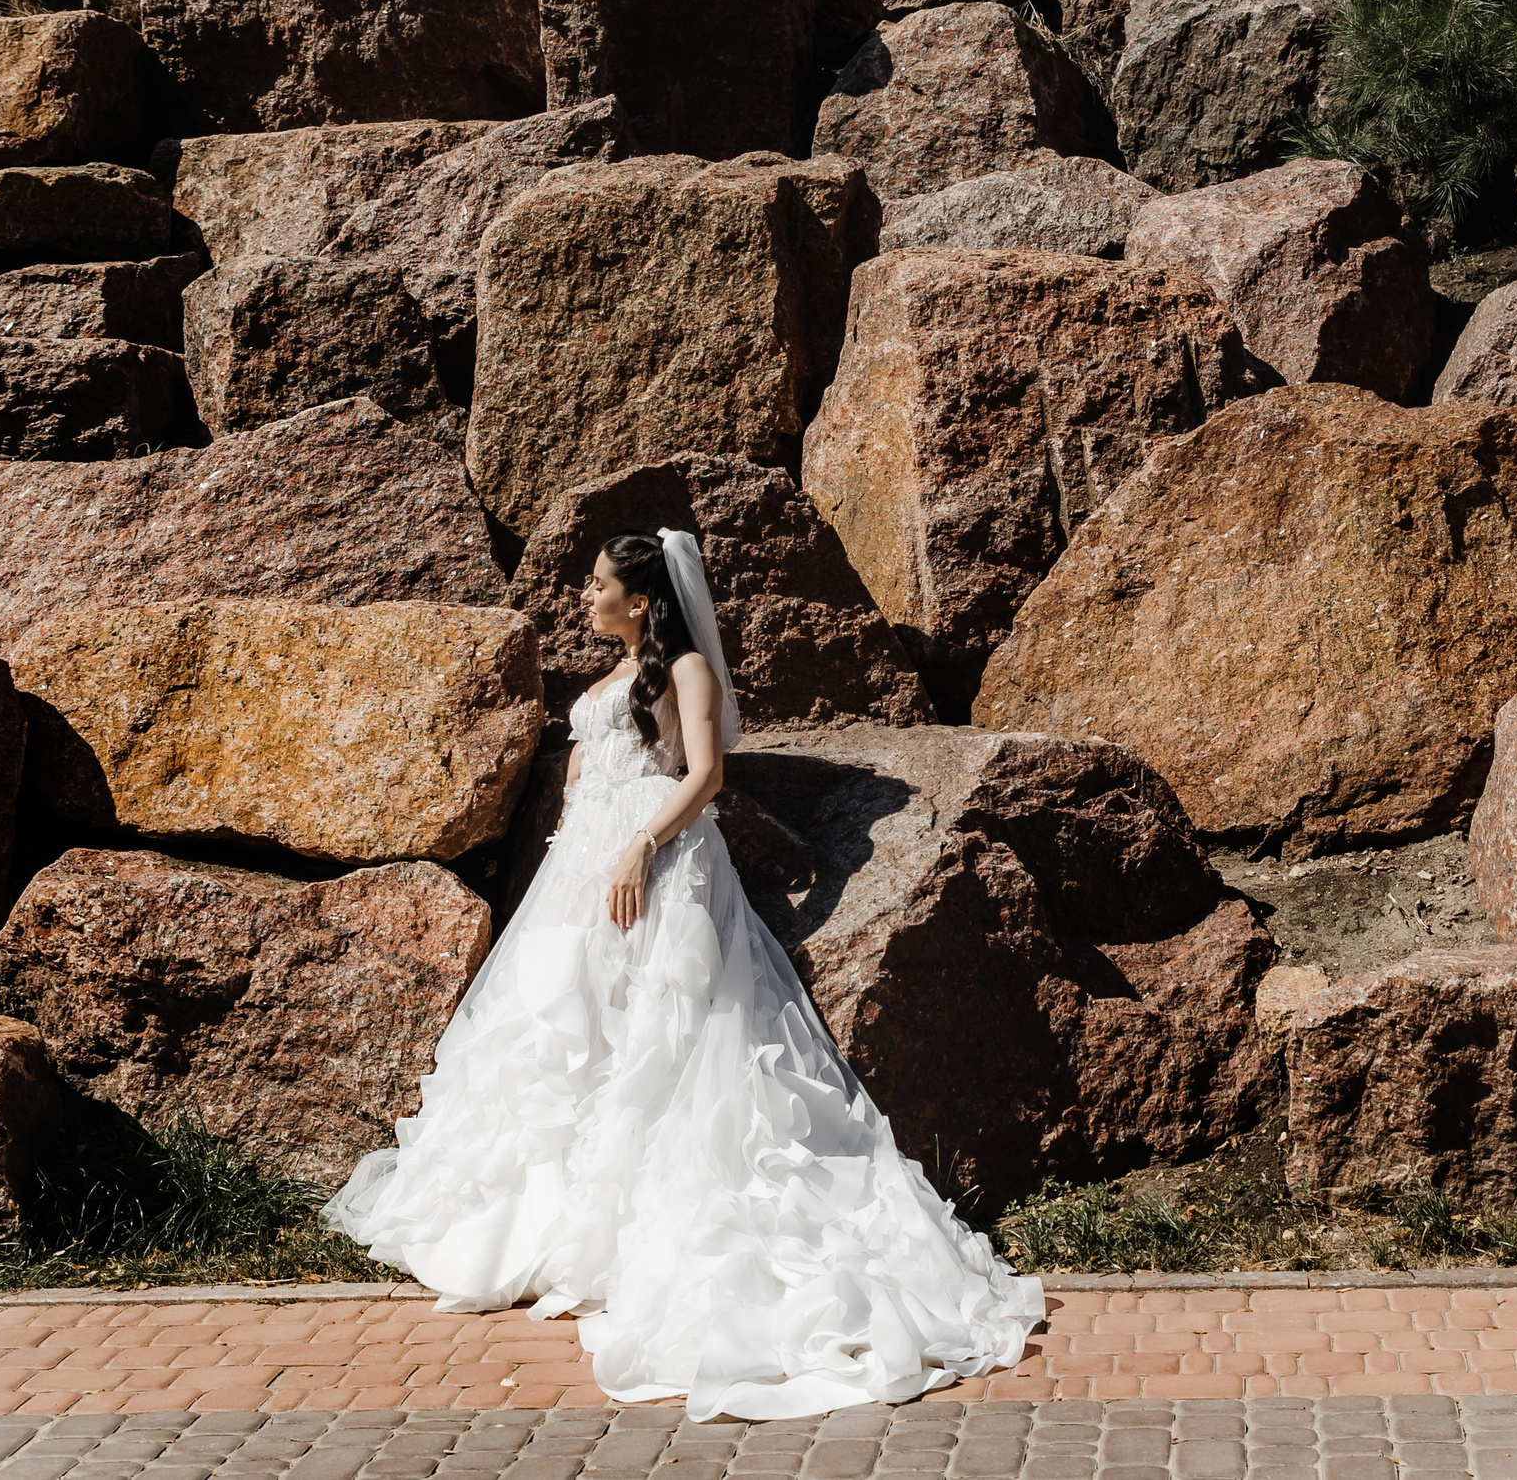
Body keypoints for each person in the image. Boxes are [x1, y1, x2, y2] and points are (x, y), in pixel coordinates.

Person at [325, 529, 1041, 1419]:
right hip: (583, 870)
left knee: (664, 1039)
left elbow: (705, 775)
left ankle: (643, 1237)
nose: (585, 597)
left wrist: (638, 845)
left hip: (657, 866)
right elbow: (593, 769)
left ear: (642, 598)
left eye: (599, 586)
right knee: (567, 1032)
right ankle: (554, 1226)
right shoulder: (606, 679)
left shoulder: (687, 670)